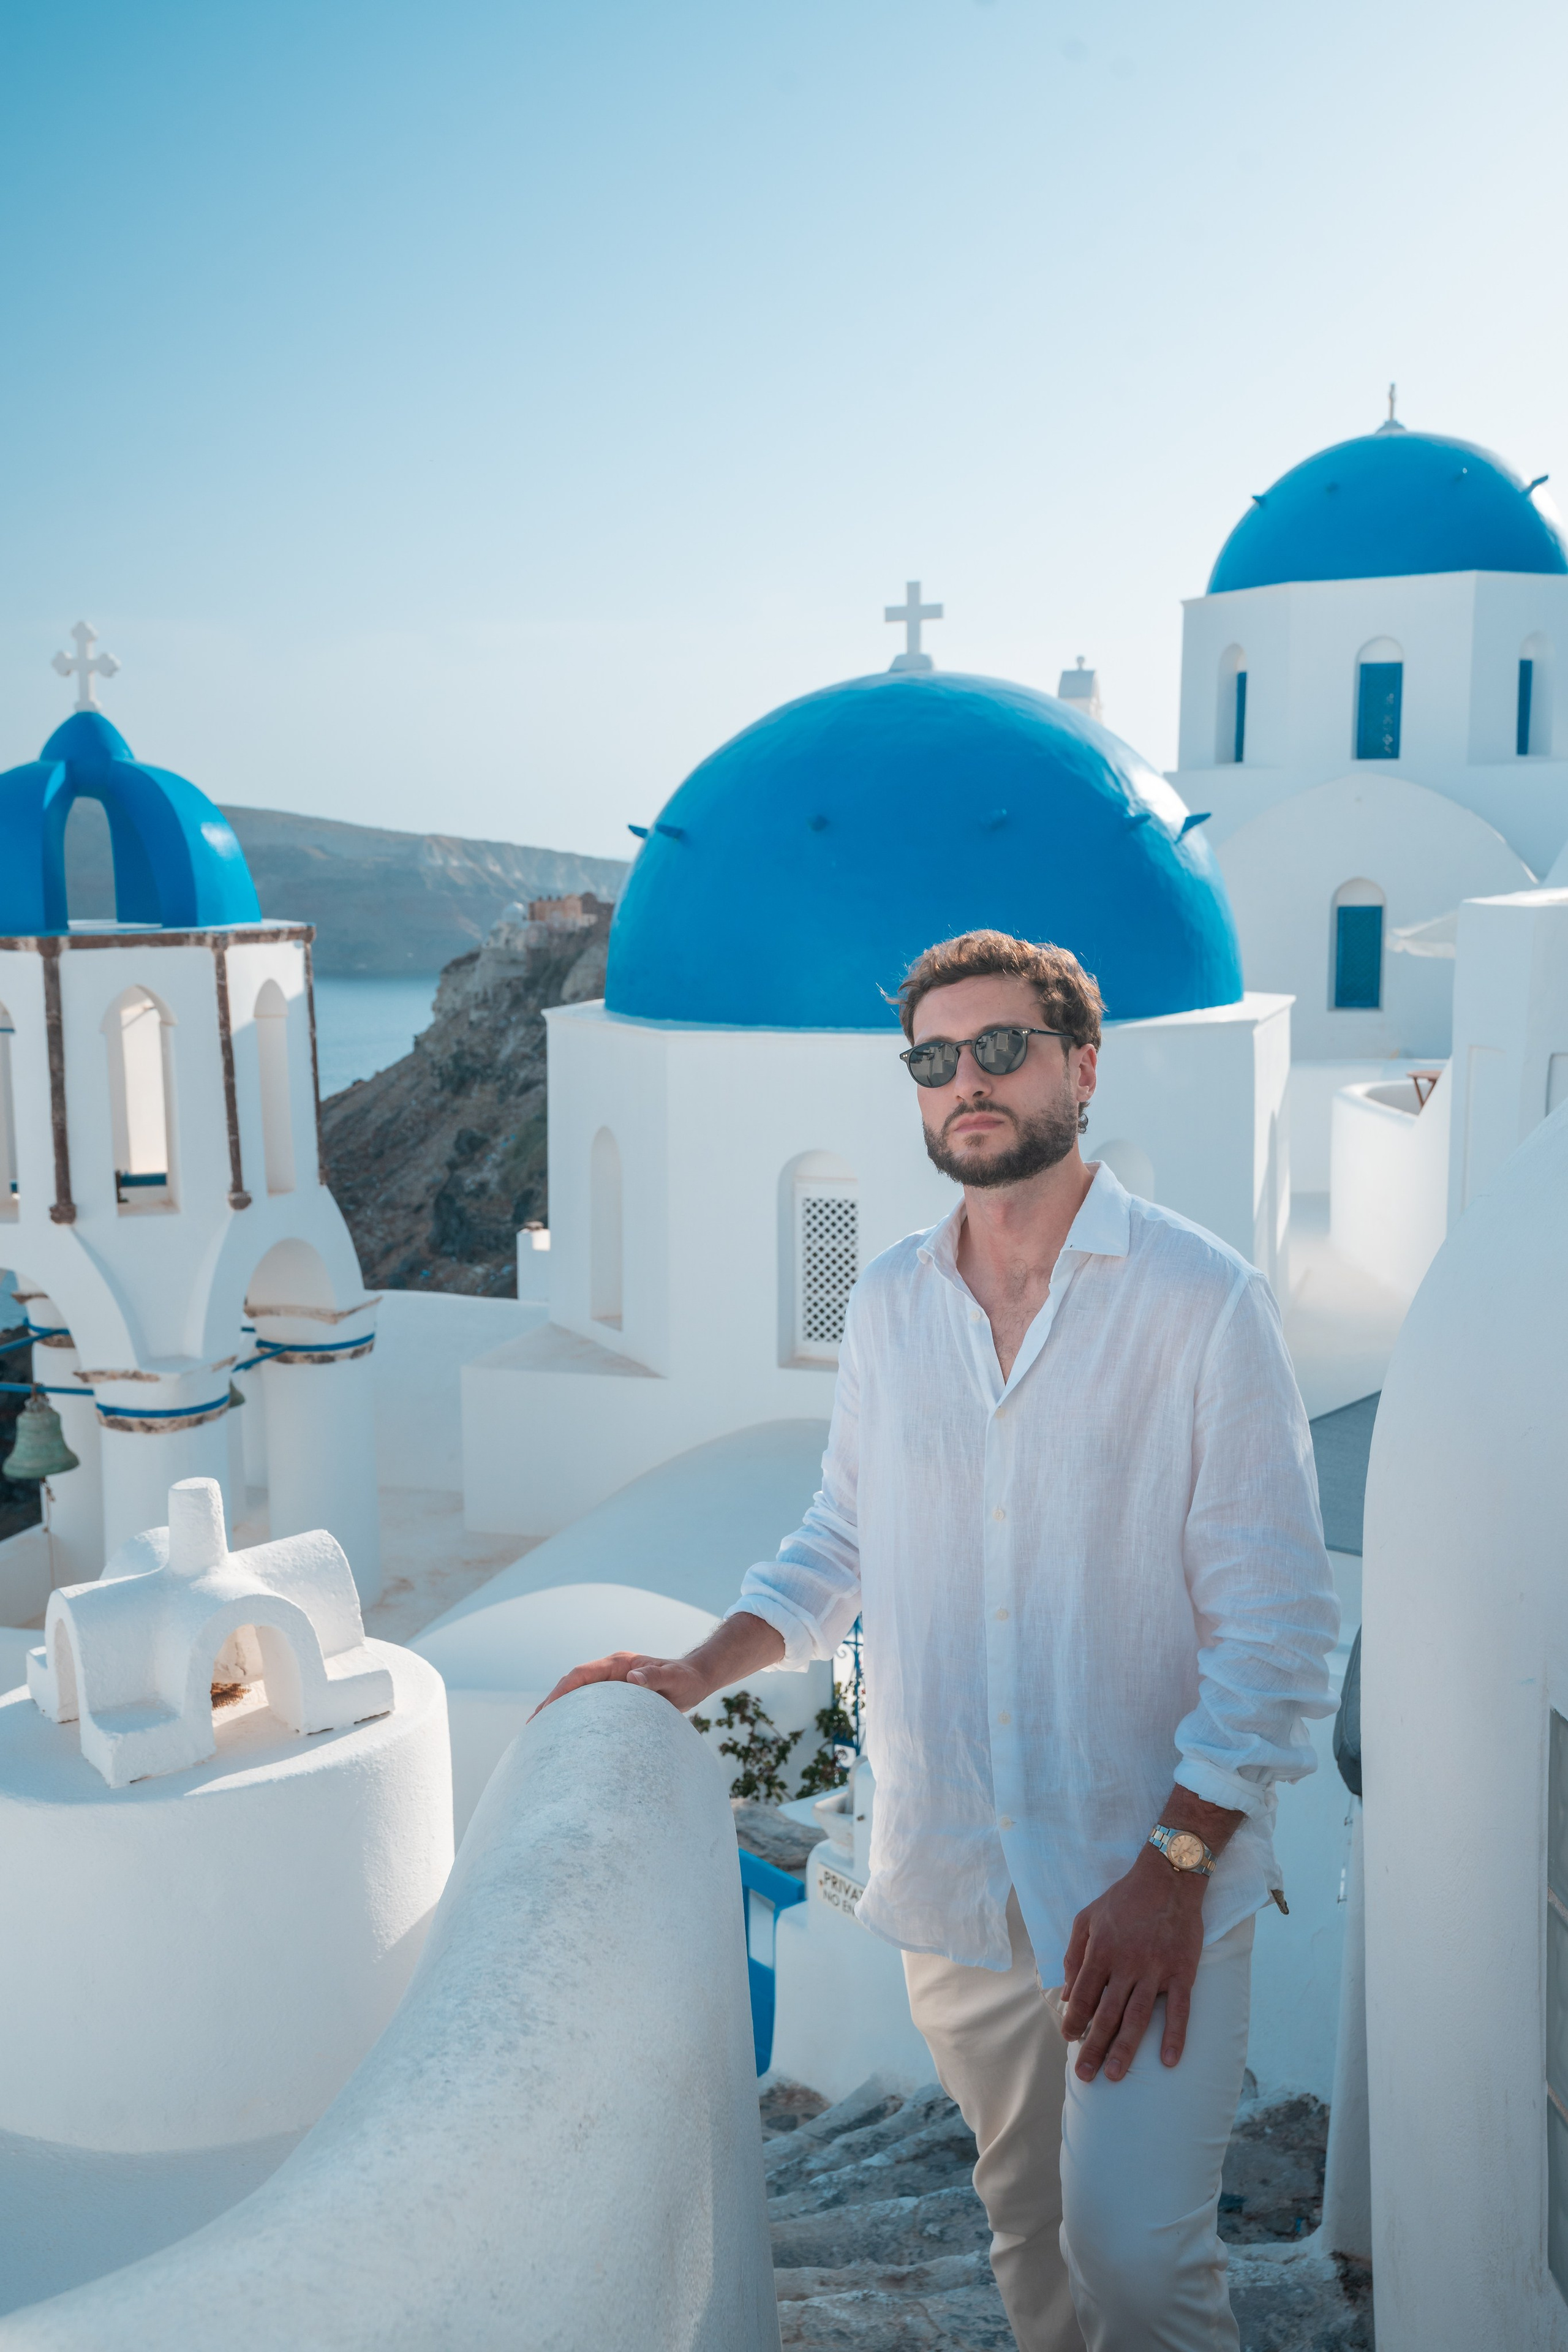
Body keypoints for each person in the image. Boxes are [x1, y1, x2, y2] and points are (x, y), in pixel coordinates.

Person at [538, 929, 1339, 2352]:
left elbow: (1274, 1627)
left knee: (1140, 2259)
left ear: (1078, 1068)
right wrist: (695, 1671)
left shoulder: (1200, 1303)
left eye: (998, 1048)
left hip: (1141, 1881)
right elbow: (839, 1543)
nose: (963, 1078)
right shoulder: (894, 1300)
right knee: (1025, 2227)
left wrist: (1173, 1868)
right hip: (956, 1869)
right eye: (932, 1059)